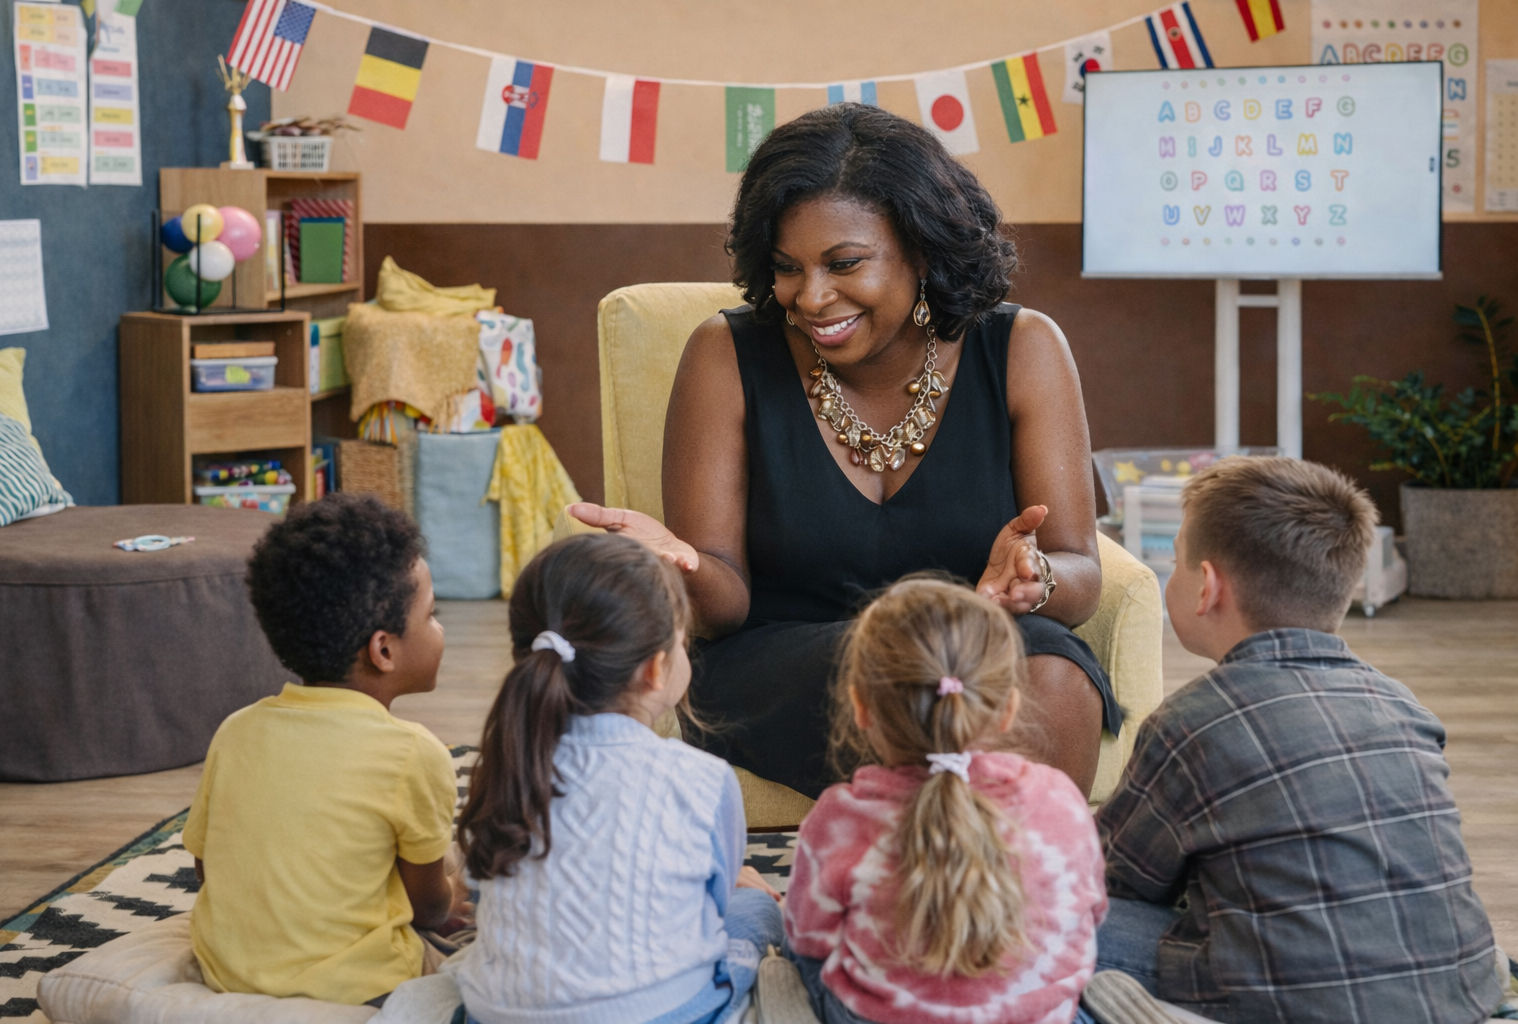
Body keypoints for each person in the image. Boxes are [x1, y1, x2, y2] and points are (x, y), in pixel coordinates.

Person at [569, 102, 1116, 800]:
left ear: (922, 248)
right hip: (786, 661)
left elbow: (1079, 570)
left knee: (1054, 675)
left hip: (969, 645)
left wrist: (1038, 580)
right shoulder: (725, 354)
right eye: (787, 267)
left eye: (844, 263)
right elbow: (724, 601)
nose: (812, 297)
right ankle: (935, 859)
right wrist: (680, 567)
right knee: (909, 680)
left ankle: (1004, 869)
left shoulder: (1024, 349)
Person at [1094, 457, 1500, 1024]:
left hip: (1290, 1005)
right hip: (1460, 992)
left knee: (1050, 920)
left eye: (1175, 562)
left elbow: (1116, 876)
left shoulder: (1191, 722)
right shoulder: (1406, 708)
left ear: (1207, 586)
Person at [454, 533, 784, 1024]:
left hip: (496, 1014)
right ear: (656, 669)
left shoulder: (506, 764)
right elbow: (710, 912)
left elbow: (486, 890)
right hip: (666, 1016)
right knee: (755, 908)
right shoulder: (703, 778)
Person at [783, 577, 1107, 1024]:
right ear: (1008, 709)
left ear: (860, 707)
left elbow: (808, 936)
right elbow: (1091, 913)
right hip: (1035, 1018)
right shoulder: (1059, 797)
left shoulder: (841, 817)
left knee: (781, 936)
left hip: (880, 1018)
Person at [183, 494, 465, 1006]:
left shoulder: (235, 731)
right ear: (384, 650)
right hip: (362, 989)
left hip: (226, 973)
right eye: (433, 615)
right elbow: (428, 909)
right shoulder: (413, 753)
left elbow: (207, 870)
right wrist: (455, 894)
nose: (440, 628)